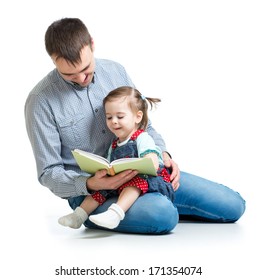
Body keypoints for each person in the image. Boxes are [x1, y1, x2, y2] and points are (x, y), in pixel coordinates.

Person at [24, 18, 245, 234]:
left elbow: (145, 126)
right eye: (69, 74)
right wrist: (90, 183)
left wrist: (163, 155)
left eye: (87, 69)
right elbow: (48, 172)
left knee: (233, 205)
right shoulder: (40, 101)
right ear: (53, 60)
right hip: (92, 195)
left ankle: (151, 201)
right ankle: (134, 208)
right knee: (163, 215)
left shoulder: (115, 71)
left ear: (92, 44)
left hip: (147, 175)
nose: (81, 78)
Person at [58, 86, 175, 230]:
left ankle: (115, 213)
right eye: (109, 117)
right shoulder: (114, 144)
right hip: (120, 180)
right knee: (100, 190)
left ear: (138, 117)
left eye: (120, 117)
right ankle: (79, 216)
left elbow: (153, 163)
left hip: (147, 180)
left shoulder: (142, 137)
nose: (113, 121)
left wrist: (144, 162)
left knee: (135, 182)